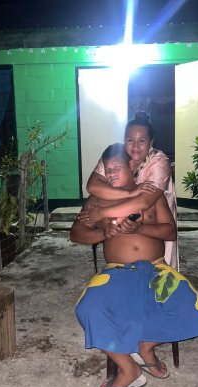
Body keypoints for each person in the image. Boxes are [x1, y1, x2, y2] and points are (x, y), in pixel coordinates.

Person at [71, 144, 198, 387]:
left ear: (131, 166)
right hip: (116, 272)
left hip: (156, 269)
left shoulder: (151, 195)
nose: (111, 173)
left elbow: (170, 231)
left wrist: (139, 229)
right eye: (107, 170)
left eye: (117, 167)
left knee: (193, 308)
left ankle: (145, 347)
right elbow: (76, 233)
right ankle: (128, 368)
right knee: (88, 309)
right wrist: (103, 233)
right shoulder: (97, 200)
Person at [78, 111, 179, 271]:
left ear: (151, 141)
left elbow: (144, 201)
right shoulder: (114, 158)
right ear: (124, 140)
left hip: (154, 258)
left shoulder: (159, 163)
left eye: (141, 140)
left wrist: (102, 213)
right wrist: (128, 193)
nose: (135, 146)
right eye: (130, 140)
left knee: (166, 253)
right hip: (118, 269)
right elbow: (92, 186)